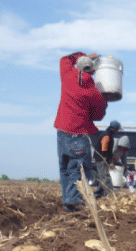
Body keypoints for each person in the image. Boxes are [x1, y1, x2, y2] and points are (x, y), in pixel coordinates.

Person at [53, 52, 108, 211]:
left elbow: (64, 59)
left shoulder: (67, 74)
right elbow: (98, 116)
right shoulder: (94, 92)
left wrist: (85, 55)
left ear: (78, 66)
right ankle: (74, 201)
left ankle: (68, 201)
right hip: (79, 134)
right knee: (79, 169)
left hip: (62, 132)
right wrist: (104, 101)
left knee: (65, 168)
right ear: (93, 72)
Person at [93, 120, 121, 192]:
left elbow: (107, 150)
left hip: (101, 158)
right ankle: (109, 194)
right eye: (117, 129)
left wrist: (112, 159)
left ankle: (98, 193)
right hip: (101, 159)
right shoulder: (106, 136)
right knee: (106, 177)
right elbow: (104, 150)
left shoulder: (108, 135)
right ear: (114, 129)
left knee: (103, 177)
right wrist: (109, 162)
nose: (118, 131)